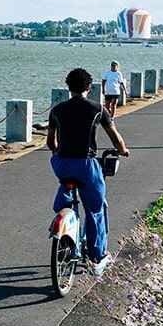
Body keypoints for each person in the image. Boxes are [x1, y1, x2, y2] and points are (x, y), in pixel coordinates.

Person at [47, 68, 129, 277]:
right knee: (96, 208)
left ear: (68, 87)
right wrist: (123, 151)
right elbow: (115, 137)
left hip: (62, 164)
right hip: (86, 165)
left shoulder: (57, 110)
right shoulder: (98, 109)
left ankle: (63, 209)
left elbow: (51, 143)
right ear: (88, 88)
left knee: (67, 184)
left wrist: (61, 153)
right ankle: (97, 257)